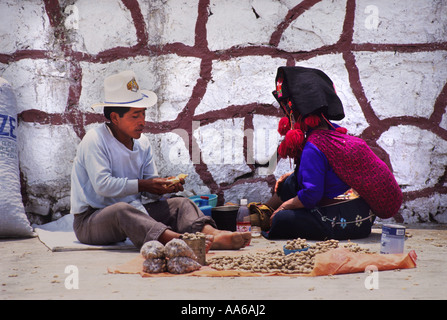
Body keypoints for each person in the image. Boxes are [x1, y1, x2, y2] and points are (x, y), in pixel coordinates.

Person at [70, 70, 251, 250]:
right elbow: (103, 186)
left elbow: (149, 188)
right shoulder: (95, 139)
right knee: (121, 210)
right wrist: (144, 185)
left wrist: (162, 188)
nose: (142, 121)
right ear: (115, 118)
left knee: (181, 204)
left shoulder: (142, 143)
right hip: (91, 220)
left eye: (143, 114)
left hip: (135, 210)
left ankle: (213, 234)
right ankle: (184, 241)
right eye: (135, 116)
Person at [258, 66, 402, 240]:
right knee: (291, 180)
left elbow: (311, 197)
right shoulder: (332, 134)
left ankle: (261, 217)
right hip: (363, 219)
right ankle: (262, 212)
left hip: (341, 221)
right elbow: (329, 172)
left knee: (282, 220)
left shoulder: (313, 146)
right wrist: (296, 175)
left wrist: (284, 207)